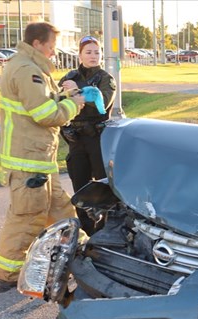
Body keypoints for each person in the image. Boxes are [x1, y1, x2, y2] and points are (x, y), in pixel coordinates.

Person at [0, 22, 85, 290]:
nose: (53, 52)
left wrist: (65, 95)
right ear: (37, 44)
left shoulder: (30, 67)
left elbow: (42, 102)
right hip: (28, 162)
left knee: (62, 212)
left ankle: (86, 258)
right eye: (51, 46)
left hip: (40, 160)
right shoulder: (26, 70)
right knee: (26, 218)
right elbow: (45, 115)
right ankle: (7, 275)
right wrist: (74, 104)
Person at [58, 35, 116, 235]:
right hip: (76, 139)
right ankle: (86, 230)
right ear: (80, 54)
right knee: (80, 186)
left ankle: (106, 229)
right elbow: (57, 101)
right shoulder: (69, 77)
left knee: (103, 186)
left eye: (97, 52)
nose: (93, 56)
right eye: (88, 52)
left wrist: (75, 92)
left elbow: (102, 105)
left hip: (97, 139)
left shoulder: (105, 78)